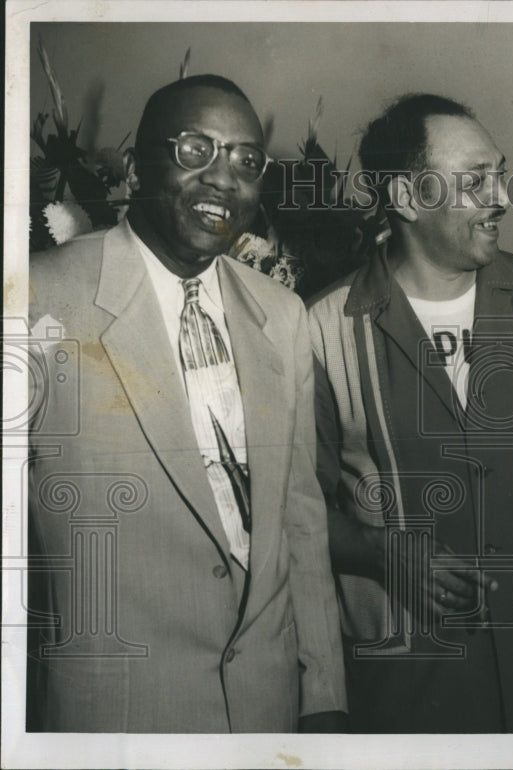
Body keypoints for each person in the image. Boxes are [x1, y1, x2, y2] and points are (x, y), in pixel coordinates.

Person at [27, 74, 347, 732]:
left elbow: (300, 527)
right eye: (196, 149)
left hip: (268, 712)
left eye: (246, 161)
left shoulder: (282, 315)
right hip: (116, 720)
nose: (225, 179)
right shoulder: (38, 299)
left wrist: (323, 697)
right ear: (139, 166)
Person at [308, 93, 513, 732]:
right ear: (404, 198)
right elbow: (291, 514)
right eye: (475, 181)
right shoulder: (320, 328)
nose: (502, 197)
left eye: (499, 174)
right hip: (408, 680)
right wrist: (379, 551)